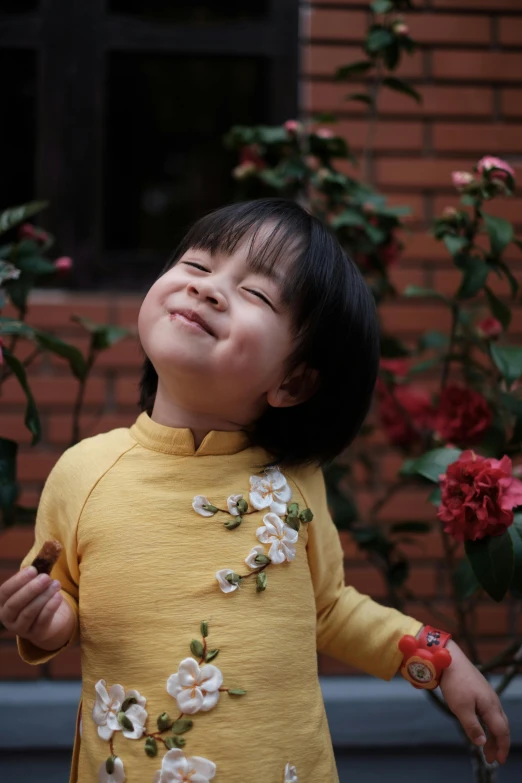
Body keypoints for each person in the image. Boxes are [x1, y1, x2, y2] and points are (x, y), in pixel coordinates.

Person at [0, 199, 510, 783]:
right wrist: (43, 622)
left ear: (292, 382)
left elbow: (330, 608)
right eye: (197, 265)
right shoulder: (82, 472)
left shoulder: (293, 483)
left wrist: (436, 658)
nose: (209, 290)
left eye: (258, 294)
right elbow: (60, 603)